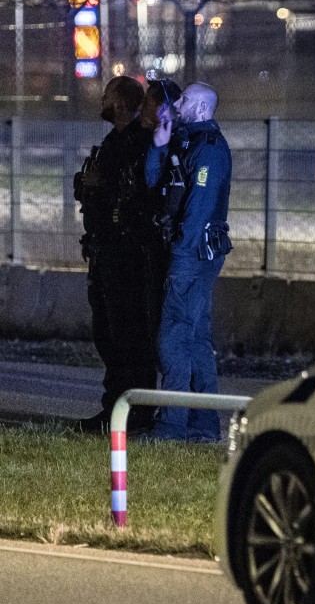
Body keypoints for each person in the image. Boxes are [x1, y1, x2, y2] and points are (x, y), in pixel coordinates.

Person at [145, 82, 233, 442]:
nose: (176, 104)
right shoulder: (185, 142)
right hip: (190, 253)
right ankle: (203, 426)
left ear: (199, 108)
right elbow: (155, 182)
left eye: (183, 100)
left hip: (193, 255)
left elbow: (198, 209)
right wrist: (159, 147)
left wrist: (179, 253)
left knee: (172, 338)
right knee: (195, 339)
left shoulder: (209, 150)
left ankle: (171, 425)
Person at [74, 76, 162, 434]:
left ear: (122, 103)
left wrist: (100, 188)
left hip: (126, 254)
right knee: (108, 336)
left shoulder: (138, 144)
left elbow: (135, 195)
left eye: (108, 95)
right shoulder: (113, 142)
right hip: (104, 251)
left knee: (129, 337)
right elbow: (91, 186)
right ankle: (114, 409)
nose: (103, 101)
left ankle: (135, 414)